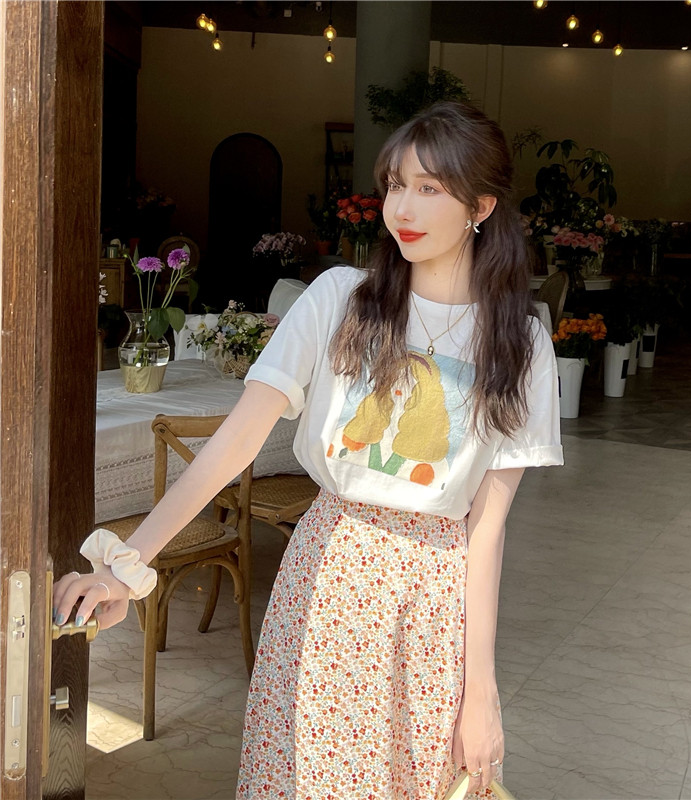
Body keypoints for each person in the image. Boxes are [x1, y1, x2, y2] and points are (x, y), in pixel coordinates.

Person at [53, 102, 563, 800]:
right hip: (328, 574)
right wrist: (128, 565)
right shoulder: (339, 299)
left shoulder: (521, 344)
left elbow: (487, 531)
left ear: (481, 205)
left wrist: (482, 695)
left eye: (429, 188)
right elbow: (235, 442)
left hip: (433, 599)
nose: (402, 208)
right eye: (395, 184)